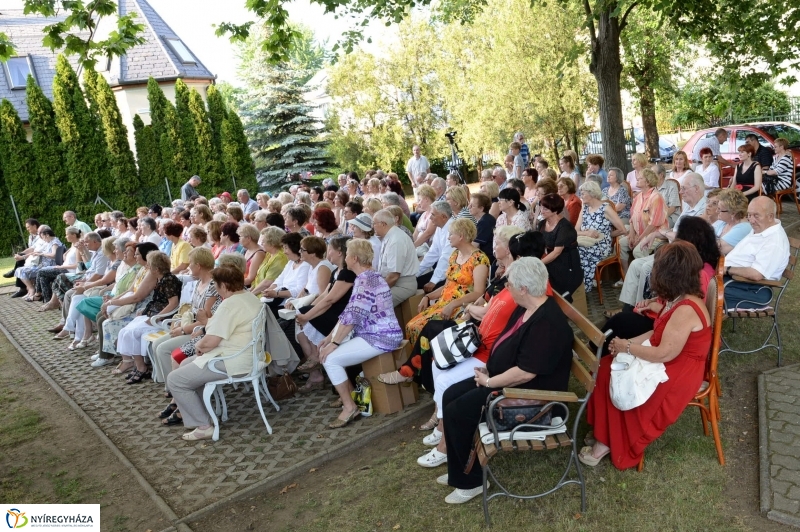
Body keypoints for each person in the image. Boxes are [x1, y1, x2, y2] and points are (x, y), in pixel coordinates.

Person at [440, 257, 574, 503]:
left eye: (509, 284)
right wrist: (490, 374)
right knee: (451, 395)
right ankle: (461, 467)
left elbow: (526, 373)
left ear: (523, 288)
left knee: (459, 411)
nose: (505, 287)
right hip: (507, 383)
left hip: (531, 398)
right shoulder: (526, 308)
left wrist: (490, 382)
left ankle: (470, 483)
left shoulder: (547, 323)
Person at [582, 241, 712, 469]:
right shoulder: (681, 298)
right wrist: (626, 343)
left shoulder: (686, 309)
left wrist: (627, 347)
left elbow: (663, 353)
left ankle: (607, 441)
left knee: (611, 375)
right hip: (671, 361)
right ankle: (605, 432)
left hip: (678, 372)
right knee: (604, 366)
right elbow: (658, 331)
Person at [166, 264, 264, 441]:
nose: (215, 289)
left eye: (216, 285)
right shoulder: (249, 297)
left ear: (224, 286)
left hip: (234, 361)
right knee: (186, 364)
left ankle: (203, 426)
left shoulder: (230, 305)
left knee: (175, 379)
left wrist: (200, 346)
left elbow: (210, 341)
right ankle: (204, 414)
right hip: (247, 356)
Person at [319, 239, 403, 428]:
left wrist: (334, 343)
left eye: (347, 254)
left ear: (354, 258)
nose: (345, 257)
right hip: (375, 334)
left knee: (330, 359)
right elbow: (349, 312)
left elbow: (354, 316)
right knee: (328, 352)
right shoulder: (367, 277)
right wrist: (330, 338)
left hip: (380, 336)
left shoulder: (366, 280)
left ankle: (350, 407)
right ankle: (349, 399)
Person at [602, 217, 721, 346]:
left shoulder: (701, 274)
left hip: (668, 324)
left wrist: (655, 306)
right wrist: (652, 301)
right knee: (623, 319)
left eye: (678, 238)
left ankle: (596, 350)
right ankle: (599, 349)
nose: (674, 242)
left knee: (620, 322)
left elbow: (688, 313)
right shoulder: (694, 266)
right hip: (662, 317)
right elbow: (677, 298)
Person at [614, 173, 708, 311]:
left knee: (646, 267)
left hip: (685, 255)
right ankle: (628, 307)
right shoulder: (688, 207)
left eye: (684, 188)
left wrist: (661, 233)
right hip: (673, 248)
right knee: (635, 265)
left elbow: (685, 236)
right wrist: (656, 234)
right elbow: (672, 232)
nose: (680, 192)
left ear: (697, 189)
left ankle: (641, 309)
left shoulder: (705, 209)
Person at [406, 219, 489, 346]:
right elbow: (447, 285)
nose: (448, 237)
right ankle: (421, 363)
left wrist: (453, 304)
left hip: (461, 307)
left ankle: (431, 362)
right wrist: (428, 296)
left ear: (461, 236)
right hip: (444, 304)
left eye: (451, 234)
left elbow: (479, 292)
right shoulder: (455, 255)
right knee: (411, 326)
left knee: (420, 328)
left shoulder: (479, 259)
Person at [294, 236, 356, 392]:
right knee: (301, 315)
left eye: (331, 249)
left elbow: (330, 299)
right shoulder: (337, 270)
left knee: (305, 317)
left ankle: (316, 357)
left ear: (340, 252)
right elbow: (324, 296)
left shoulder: (347, 273)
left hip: (342, 314)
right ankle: (315, 357)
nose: (328, 252)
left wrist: (308, 316)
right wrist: (307, 312)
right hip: (334, 309)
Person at [115, 252, 182, 384]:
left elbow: (173, 303)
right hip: (152, 313)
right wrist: (146, 311)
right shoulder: (161, 278)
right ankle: (136, 365)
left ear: (156, 269)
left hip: (161, 317)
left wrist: (157, 317)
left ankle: (142, 368)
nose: (148, 268)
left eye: (150, 266)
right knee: (124, 331)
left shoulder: (169, 280)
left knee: (133, 332)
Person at [723, 197, 789, 311]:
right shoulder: (762, 228)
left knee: (701, 288)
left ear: (770, 216)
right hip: (734, 280)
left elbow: (756, 274)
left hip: (752, 289)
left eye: (756, 216)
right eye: (749, 215)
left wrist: (727, 269)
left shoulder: (774, 241)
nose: (751, 220)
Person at [576, 181, 626, 292]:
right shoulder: (584, 208)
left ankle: (583, 288)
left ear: (592, 193)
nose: (581, 196)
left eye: (583, 193)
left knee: (581, 252)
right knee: (572, 251)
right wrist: (587, 233)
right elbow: (575, 231)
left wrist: (605, 235)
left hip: (601, 245)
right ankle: (577, 287)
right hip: (586, 241)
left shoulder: (606, 208)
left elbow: (622, 229)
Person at [619, 168, 668, 274]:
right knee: (620, 244)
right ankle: (627, 275)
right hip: (639, 234)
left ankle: (648, 278)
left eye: (640, 178)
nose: (637, 178)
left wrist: (640, 239)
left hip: (655, 235)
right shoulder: (638, 196)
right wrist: (632, 235)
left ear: (647, 182)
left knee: (638, 251)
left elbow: (654, 224)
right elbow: (632, 218)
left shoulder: (656, 197)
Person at [537, 193, 583, 298]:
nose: (541, 211)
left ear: (555, 210)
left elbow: (557, 252)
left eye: (545, 209)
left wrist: (537, 263)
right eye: (541, 207)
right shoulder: (542, 224)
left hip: (566, 263)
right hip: (550, 258)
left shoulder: (564, 227)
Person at [372, 209, 418, 306]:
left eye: (374, 223)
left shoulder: (396, 240)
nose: (373, 226)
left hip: (402, 285)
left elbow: (393, 276)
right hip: (393, 283)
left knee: (373, 304)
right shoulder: (389, 236)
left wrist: (377, 291)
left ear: (383, 224)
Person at [262, 232, 312, 315]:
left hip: (290, 305)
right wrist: (269, 290)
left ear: (294, 248)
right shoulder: (290, 263)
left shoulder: (305, 265)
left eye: (286, 248)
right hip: (279, 301)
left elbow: (300, 289)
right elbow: (279, 280)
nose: (284, 252)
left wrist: (277, 294)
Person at [32, 226, 82, 305]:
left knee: (41, 272)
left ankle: (38, 293)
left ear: (74, 235)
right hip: (63, 268)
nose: (65, 237)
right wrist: (65, 254)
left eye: (67, 234)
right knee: (43, 277)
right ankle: (48, 301)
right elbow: (69, 252)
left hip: (68, 270)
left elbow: (77, 265)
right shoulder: (73, 245)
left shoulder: (79, 247)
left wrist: (62, 267)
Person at [16, 226, 62, 302]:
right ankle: (41, 296)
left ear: (47, 234)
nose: (42, 239)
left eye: (42, 236)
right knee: (25, 271)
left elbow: (54, 255)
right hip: (43, 265)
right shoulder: (50, 242)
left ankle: (37, 294)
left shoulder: (54, 242)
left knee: (39, 272)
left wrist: (42, 254)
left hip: (50, 266)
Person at [417, 202, 455, 292]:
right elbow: (433, 253)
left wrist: (434, 281)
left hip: (453, 272)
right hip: (444, 270)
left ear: (444, 217)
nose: (430, 218)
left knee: (420, 285)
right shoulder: (440, 227)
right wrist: (416, 272)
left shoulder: (452, 228)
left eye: (433, 215)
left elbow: (446, 258)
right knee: (415, 281)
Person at [713, 188, 752, 255]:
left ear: (732, 213)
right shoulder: (723, 222)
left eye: (720, 209)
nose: (716, 211)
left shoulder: (743, 228)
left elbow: (718, 249)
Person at [469, 192, 496, 262]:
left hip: (487, 260)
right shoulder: (485, 219)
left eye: (472, 206)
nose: (469, 207)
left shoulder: (485, 222)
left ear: (481, 208)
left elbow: (474, 245)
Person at [653, 163, 681, 227]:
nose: (651, 176)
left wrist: (658, 219)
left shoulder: (672, 186)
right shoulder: (652, 188)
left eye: (653, 174)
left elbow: (672, 208)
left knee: (655, 227)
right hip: (654, 218)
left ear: (661, 175)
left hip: (670, 217)